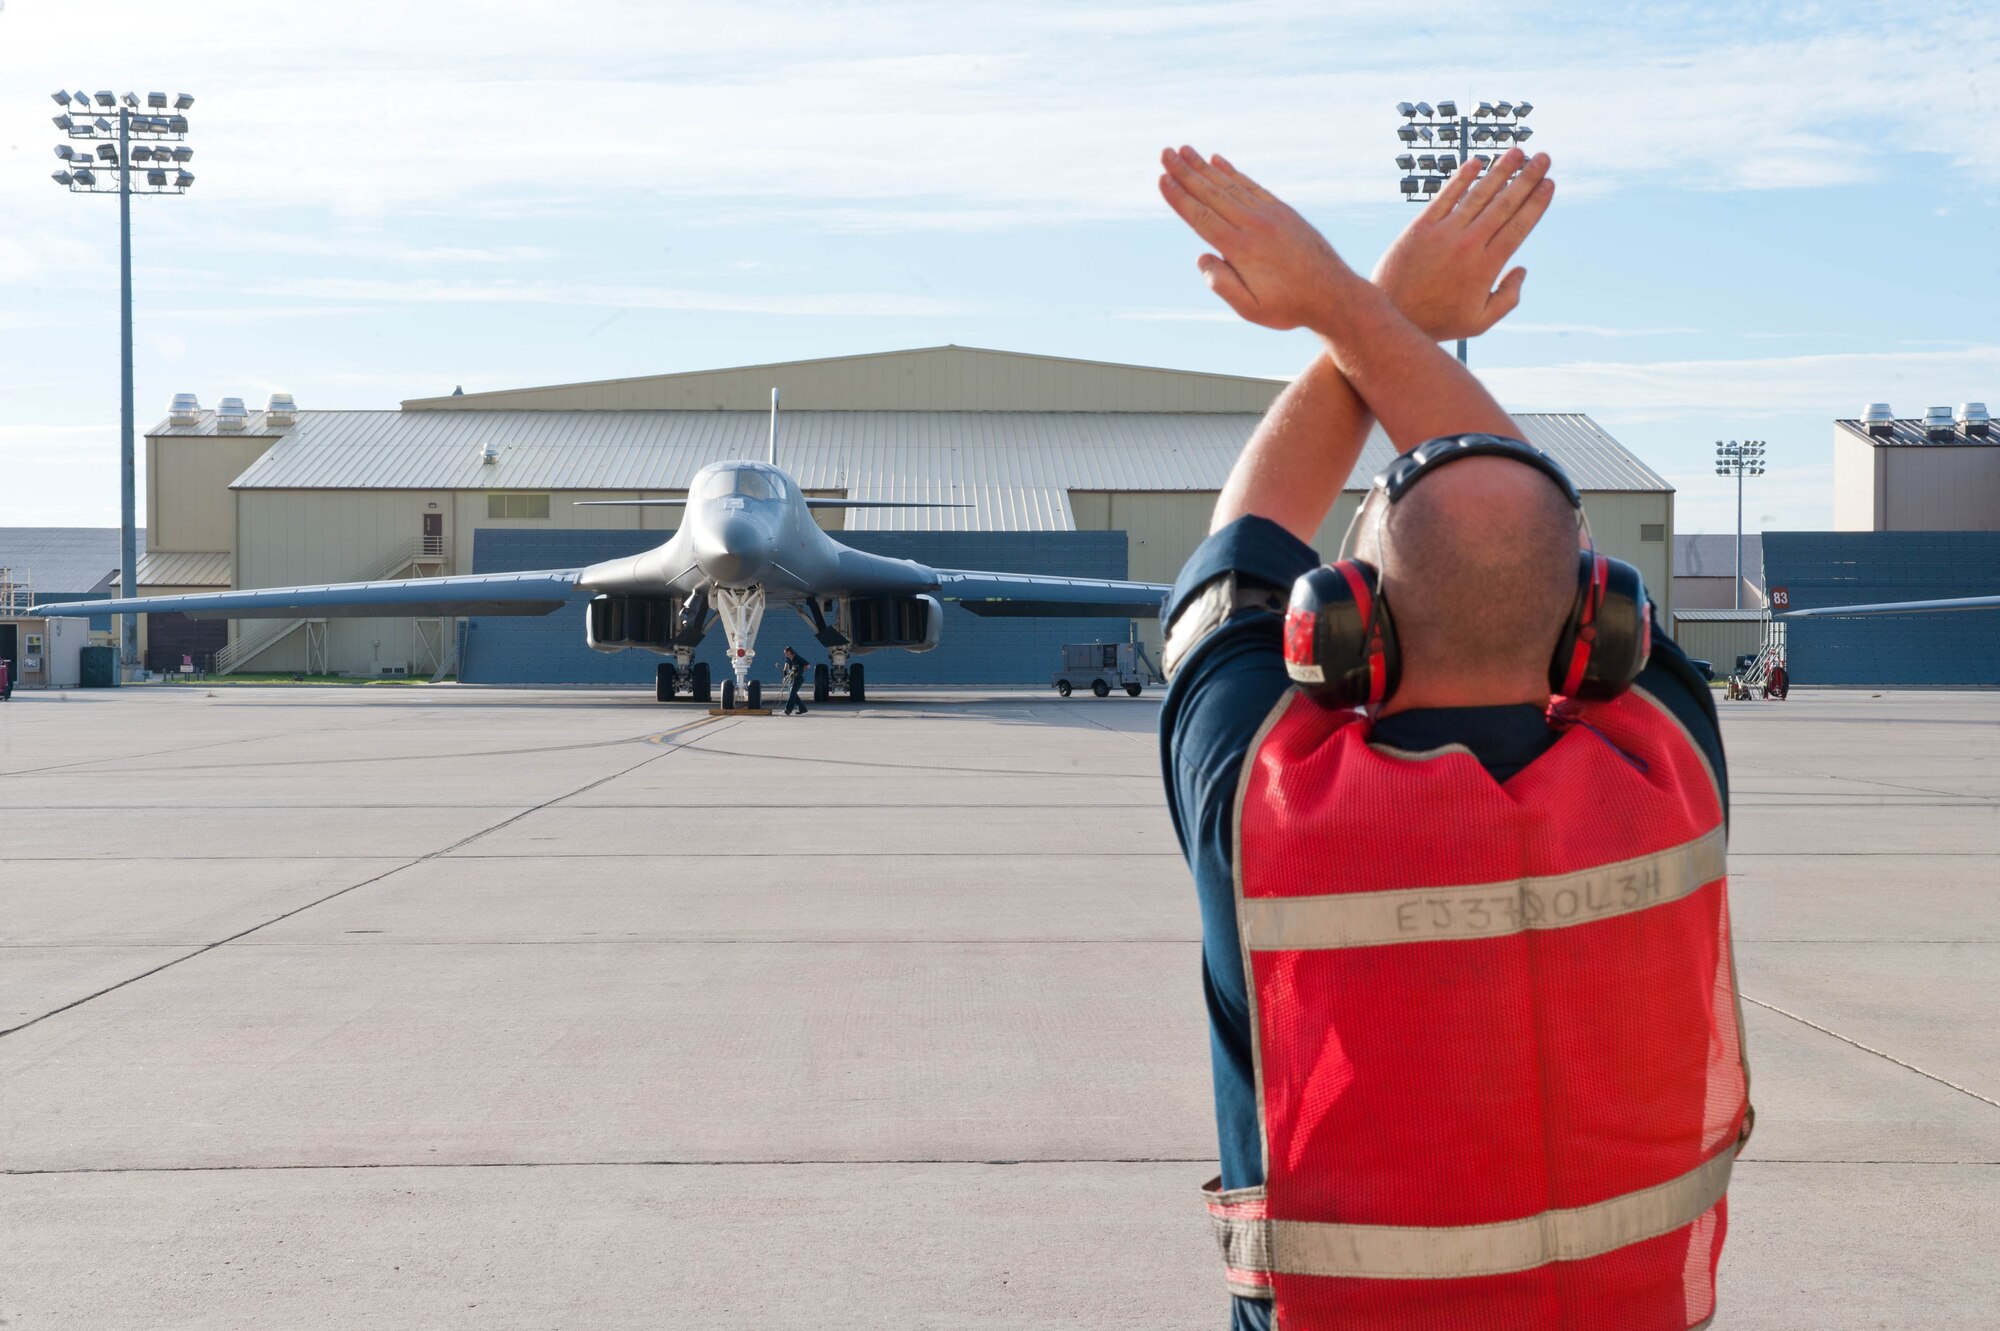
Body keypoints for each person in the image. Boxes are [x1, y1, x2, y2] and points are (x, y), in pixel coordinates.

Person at [1154, 145, 1748, 1330]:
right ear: (1594, 622)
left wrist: (1350, 305)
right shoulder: (1669, 773)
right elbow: (1520, 518)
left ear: (1345, 626)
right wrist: (1365, 315)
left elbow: (1241, 546)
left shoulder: (1263, 808)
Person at [780, 645, 809, 716]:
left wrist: (800, 672)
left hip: (798, 679)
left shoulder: (798, 658)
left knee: (792, 693)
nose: (787, 656)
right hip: (791, 678)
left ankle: (788, 709)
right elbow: (786, 664)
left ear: (792, 653)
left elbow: (807, 665)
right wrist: (784, 672)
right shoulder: (788, 657)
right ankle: (803, 709)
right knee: (793, 694)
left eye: (788, 654)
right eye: (786, 654)